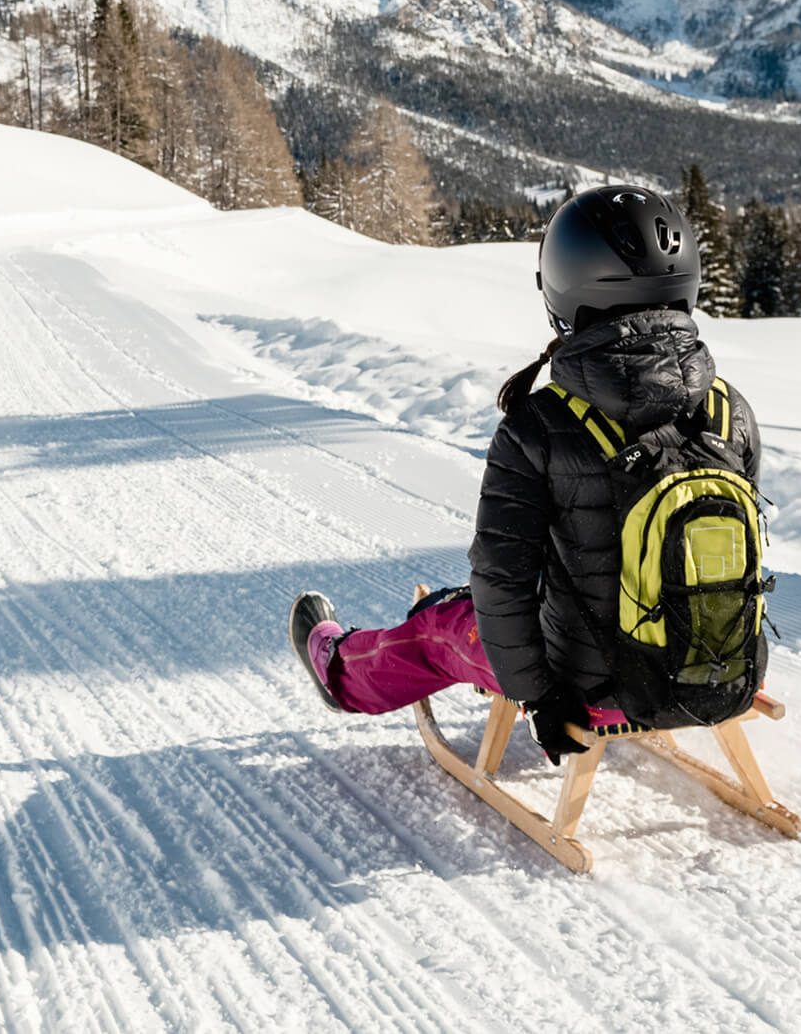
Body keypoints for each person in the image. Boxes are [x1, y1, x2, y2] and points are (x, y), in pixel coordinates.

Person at [290, 186, 763, 763]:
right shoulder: (729, 409)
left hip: (588, 692)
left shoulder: (539, 424)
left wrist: (540, 698)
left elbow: (501, 582)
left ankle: (339, 671)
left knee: (438, 626)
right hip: (717, 671)